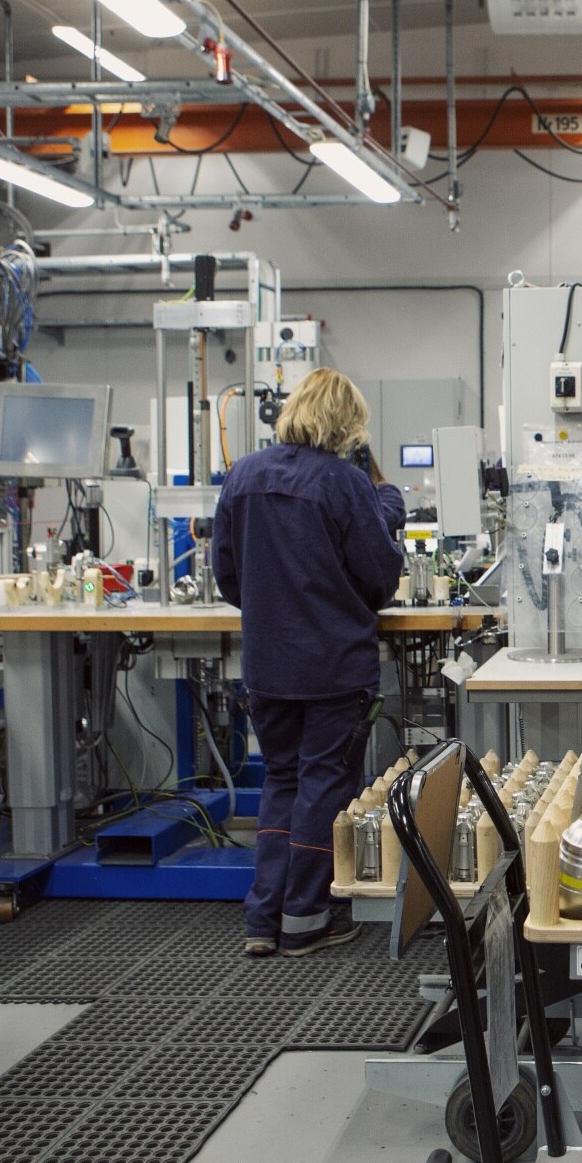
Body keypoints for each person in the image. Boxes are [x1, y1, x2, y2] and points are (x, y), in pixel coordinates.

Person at [211, 368, 405, 956]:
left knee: (282, 780)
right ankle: (306, 916)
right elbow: (380, 578)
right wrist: (384, 503)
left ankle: (262, 919)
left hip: (269, 664)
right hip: (332, 665)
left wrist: (275, 606)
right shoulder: (343, 483)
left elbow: (227, 576)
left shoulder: (241, 476)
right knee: (324, 782)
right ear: (348, 424)